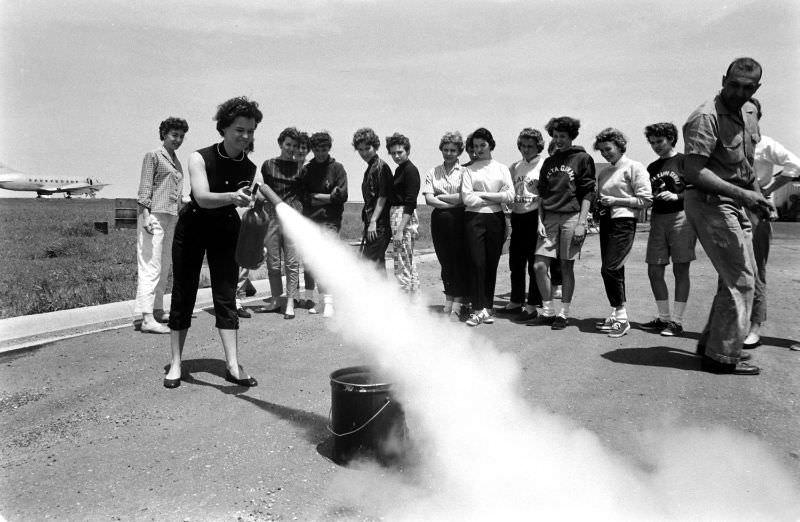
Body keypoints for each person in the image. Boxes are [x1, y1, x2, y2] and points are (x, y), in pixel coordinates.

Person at [165, 96, 262, 389]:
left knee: (226, 295)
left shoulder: (249, 167)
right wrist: (234, 198)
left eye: (251, 131)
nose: (245, 136)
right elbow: (203, 197)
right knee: (184, 294)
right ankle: (177, 364)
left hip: (225, 229)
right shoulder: (199, 157)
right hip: (193, 226)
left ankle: (232, 364)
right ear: (224, 128)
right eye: (239, 130)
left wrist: (249, 204)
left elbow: (241, 202)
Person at [682, 57, 771, 375]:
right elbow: (693, 171)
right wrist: (744, 195)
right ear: (723, 80)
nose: (738, 92)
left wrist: (756, 198)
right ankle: (722, 358)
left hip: (738, 201)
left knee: (736, 277)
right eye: (733, 84)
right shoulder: (706, 117)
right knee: (742, 279)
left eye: (747, 87)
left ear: (756, 88)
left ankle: (713, 344)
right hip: (710, 202)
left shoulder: (749, 112)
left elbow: (745, 163)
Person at [742, 98, 800, 349]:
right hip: (730, 206)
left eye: (750, 112)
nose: (744, 116)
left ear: (758, 117)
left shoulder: (765, 145)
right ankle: (730, 326)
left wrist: (767, 190)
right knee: (731, 270)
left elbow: (794, 166)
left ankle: (755, 326)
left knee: (755, 269)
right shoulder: (726, 144)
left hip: (755, 209)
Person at [533, 116, 596, 330]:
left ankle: (563, 313)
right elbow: (542, 194)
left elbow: (588, 192)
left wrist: (582, 222)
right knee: (539, 265)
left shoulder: (582, 158)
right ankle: (548, 310)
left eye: (563, 136)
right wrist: (539, 220)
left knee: (566, 266)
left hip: (572, 216)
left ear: (571, 137)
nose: (558, 140)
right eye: (556, 136)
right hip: (549, 217)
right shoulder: (549, 162)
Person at [593, 128, 652, 338]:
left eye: (608, 149)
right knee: (615, 269)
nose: (605, 153)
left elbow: (646, 200)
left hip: (624, 221)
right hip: (607, 222)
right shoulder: (605, 172)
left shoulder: (635, 167)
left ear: (619, 146)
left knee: (609, 268)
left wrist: (617, 201)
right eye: (601, 151)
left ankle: (622, 317)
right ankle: (617, 313)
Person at [640, 122, 696, 337]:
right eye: (652, 143)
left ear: (671, 139)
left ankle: (677, 321)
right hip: (658, 219)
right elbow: (647, 193)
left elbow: (697, 190)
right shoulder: (652, 167)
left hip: (681, 217)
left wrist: (677, 196)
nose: (656, 146)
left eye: (660, 141)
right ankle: (663, 317)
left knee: (680, 269)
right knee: (654, 269)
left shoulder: (684, 161)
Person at [135, 117, 188, 334]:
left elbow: (175, 193)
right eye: (174, 135)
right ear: (164, 134)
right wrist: (145, 215)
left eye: (181, 136)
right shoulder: (153, 156)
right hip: (153, 216)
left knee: (165, 264)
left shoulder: (176, 161)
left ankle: (157, 310)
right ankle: (146, 318)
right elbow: (145, 188)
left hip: (171, 217)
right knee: (151, 265)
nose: (178, 139)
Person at [461, 127, 514, 326]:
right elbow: (467, 198)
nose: (478, 149)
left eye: (482, 145)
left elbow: (510, 196)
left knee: (491, 264)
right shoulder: (468, 170)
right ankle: (477, 309)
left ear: (490, 144)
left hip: (496, 220)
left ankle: (487, 308)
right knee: (477, 263)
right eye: (475, 146)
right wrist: (495, 197)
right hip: (474, 220)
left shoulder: (501, 168)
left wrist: (483, 195)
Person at [499, 128, 546, 324]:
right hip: (518, 216)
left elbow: (545, 195)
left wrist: (541, 221)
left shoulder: (543, 164)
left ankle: (532, 305)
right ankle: (515, 301)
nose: (526, 149)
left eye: (530, 146)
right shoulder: (515, 167)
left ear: (538, 147)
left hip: (534, 217)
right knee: (515, 263)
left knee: (533, 265)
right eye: (523, 146)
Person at [301, 131, 348, 317]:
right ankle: (323, 300)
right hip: (311, 222)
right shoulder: (306, 169)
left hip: (331, 221)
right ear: (312, 150)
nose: (321, 153)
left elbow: (341, 196)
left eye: (324, 149)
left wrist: (318, 197)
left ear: (329, 148)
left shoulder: (338, 168)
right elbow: (305, 198)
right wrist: (329, 197)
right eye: (317, 150)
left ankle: (330, 301)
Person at [423, 131, 469, 320]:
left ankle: (458, 301)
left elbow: (464, 197)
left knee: (458, 261)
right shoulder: (433, 172)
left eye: (453, 150)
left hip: (459, 220)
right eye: (446, 149)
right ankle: (448, 298)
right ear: (441, 149)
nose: (449, 153)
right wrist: (449, 203)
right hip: (439, 220)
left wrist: (440, 196)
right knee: (444, 261)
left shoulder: (465, 172)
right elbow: (428, 198)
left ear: (459, 151)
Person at [261, 127, 305, 319]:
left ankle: (290, 300)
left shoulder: (300, 169)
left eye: (295, 146)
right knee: (273, 261)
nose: (291, 149)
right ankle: (276, 298)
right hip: (271, 216)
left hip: (292, 216)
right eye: (288, 144)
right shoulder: (268, 165)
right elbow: (262, 188)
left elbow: (304, 194)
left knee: (292, 261)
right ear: (281, 144)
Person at [386, 133, 421, 296]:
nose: (396, 156)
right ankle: (413, 302)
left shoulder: (410, 170)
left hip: (404, 217)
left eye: (400, 152)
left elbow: (411, 202)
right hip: (397, 215)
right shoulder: (400, 169)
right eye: (393, 153)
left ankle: (404, 302)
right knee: (407, 261)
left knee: (402, 263)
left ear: (407, 151)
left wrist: (400, 229)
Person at [354, 127, 393, 270]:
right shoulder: (371, 167)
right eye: (360, 149)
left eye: (367, 148)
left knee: (369, 264)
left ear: (375, 146)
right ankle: (385, 293)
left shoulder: (381, 167)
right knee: (377, 264)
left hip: (379, 224)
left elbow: (383, 197)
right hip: (373, 223)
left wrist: (373, 222)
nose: (364, 153)